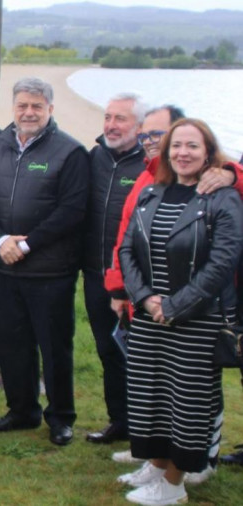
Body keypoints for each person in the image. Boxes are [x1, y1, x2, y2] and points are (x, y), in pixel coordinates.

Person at [116, 118, 243, 506]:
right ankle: (156, 466)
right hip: (151, 315)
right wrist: (145, 298)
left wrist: (176, 305)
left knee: (186, 403)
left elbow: (223, 261)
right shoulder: (152, 192)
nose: (182, 153)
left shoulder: (223, 198)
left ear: (208, 152)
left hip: (195, 319)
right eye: (176, 146)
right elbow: (126, 250)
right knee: (148, 395)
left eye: (192, 146)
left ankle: (174, 484)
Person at [0, 77, 90, 446]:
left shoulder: (70, 152)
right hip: (4, 266)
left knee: (54, 347)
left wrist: (27, 245)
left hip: (50, 270)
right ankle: (22, 410)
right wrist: (0, 240)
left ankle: (61, 418)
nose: (29, 112)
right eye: (22, 105)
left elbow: (72, 210)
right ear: (13, 107)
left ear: (50, 109)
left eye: (37, 106)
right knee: (12, 343)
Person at [82, 92, 148, 444]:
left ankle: (146, 428)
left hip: (138, 279)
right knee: (109, 350)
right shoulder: (95, 158)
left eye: (120, 119)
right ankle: (119, 421)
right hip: (96, 273)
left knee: (140, 355)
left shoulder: (150, 165)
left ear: (140, 125)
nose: (111, 125)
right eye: (108, 117)